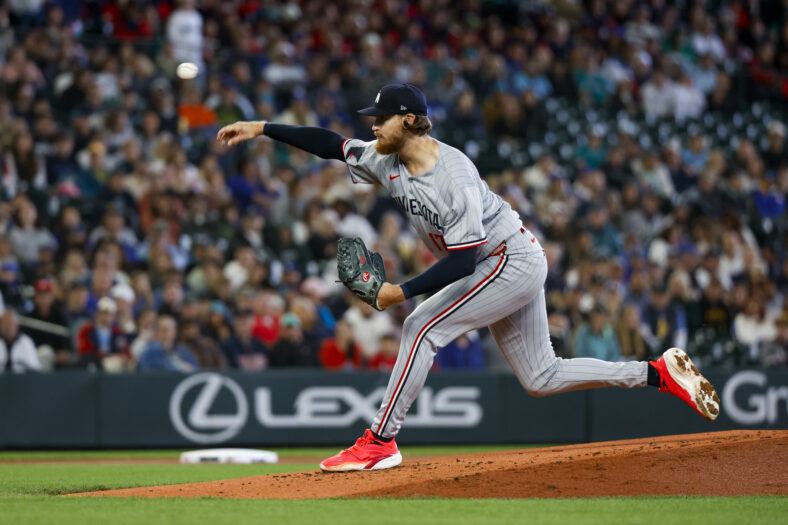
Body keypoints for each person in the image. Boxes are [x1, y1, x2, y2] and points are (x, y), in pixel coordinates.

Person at [217, 83, 720, 472]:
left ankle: (379, 441)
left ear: (409, 120)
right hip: (502, 261)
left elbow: (464, 260)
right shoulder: (383, 157)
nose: (373, 127)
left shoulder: (452, 174)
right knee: (540, 377)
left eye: (382, 119)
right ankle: (656, 373)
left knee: (422, 325)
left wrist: (400, 291)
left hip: (505, 259)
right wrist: (262, 127)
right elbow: (331, 144)